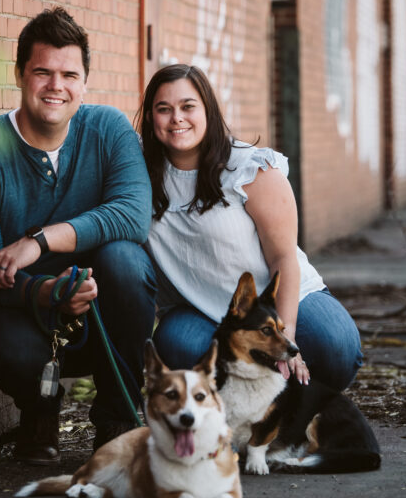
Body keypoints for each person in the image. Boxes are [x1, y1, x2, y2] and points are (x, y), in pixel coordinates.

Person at [0, 7, 157, 464]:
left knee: (126, 260)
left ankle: (116, 420)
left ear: (84, 81)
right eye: (42, 72)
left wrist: (39, 241)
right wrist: (48, 293)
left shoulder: (108, 129)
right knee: (6, 341)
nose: (55, 86)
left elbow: (134, 215)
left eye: (69, 74)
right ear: (20, 74)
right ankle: (39, 412)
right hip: (21, 313)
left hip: (98, 306)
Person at [135, 64, 362, 392]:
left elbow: (283, 258)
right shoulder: (138, 171)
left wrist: (285, 338)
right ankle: (238, 409)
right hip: (200, 309)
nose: (176, 118)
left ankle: (301, 408)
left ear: (208, 111)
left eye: (188, 106)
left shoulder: (249, 168)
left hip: (276, 299)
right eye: (163, 109)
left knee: (335, 348)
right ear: (151, 117)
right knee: (177, 347)